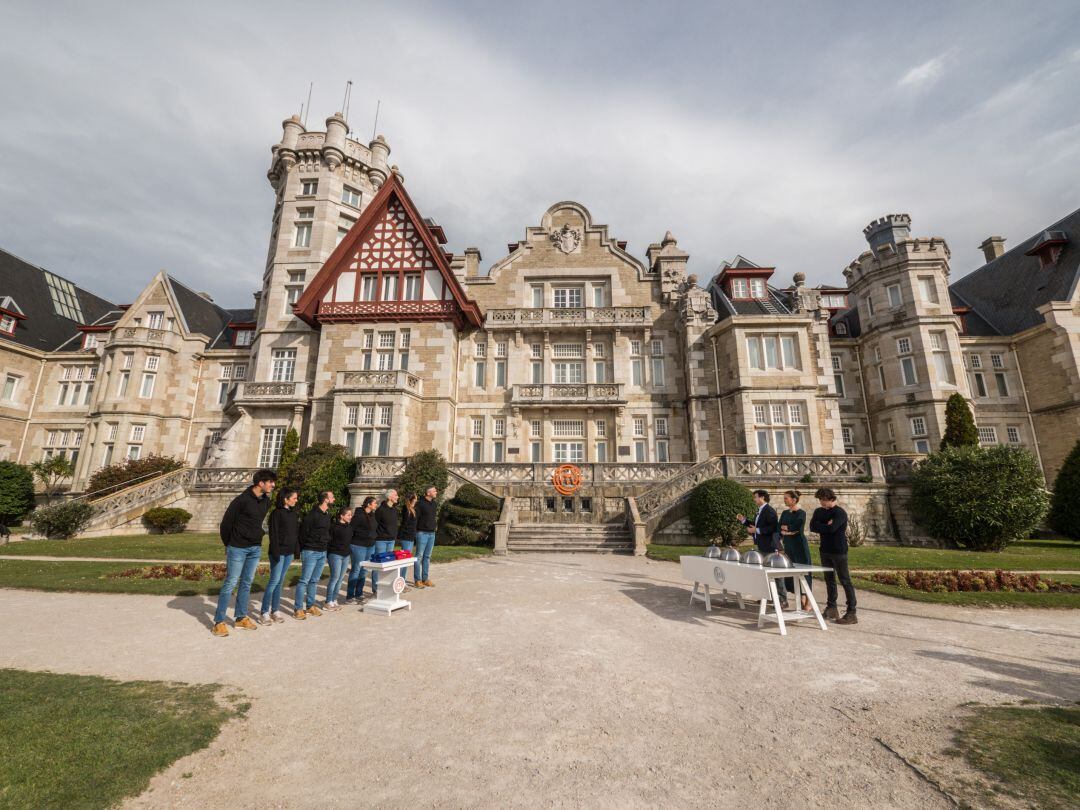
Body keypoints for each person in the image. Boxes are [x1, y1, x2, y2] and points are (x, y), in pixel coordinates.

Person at [213, 469, 275, 637]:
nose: (273, 485)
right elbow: (226, 524)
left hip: (255, 548)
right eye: (270, 482)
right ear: (260, 483)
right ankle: (219, 622)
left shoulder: (266, 502)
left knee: (246, 583)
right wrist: (229, 544)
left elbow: (257, 523)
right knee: (231, 583)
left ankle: (240, 618)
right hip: (238, 548)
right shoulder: (241, 500)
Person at [809, 487, 857, 625]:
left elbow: (833, 528)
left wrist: (822, 525)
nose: (821, 503)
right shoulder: (819, 511)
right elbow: (812, 527)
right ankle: (831, 607)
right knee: (829, 580)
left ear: (831, 499)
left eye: (823, 500)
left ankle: (851, 612)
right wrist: (825, 525)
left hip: (839, 550)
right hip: (825, 549)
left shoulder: (840, 513)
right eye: (820, 500)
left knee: (845, 580)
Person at [736, 489, 787, 608]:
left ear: (762, 497)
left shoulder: (769, 511)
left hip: (770, 546)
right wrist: (744, 521)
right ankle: (771, 597)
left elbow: (773, 528)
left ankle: (782, 599)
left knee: (776, 574)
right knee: (766, 573)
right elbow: (757, 525)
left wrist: (756, 530)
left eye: (755, 497)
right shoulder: (761, 510)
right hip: (763, 545)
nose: (754, 499)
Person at [258, 488, 299, 625]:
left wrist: (296, 551)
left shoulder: (293, 513)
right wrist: (275, 553)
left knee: (280, 582)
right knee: (274, 581)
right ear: (285, 499)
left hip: (288, 552)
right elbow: (273, 534)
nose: (296, 500)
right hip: (278, 551)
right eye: (294, 498)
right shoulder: (276, 513)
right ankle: (264, 612)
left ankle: (275, 610)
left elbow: (295, 534)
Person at [294, 490, 334, 620]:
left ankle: (310, 606)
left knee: (314, 580)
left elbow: (326, 533)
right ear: (325, 500)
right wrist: (306, 548)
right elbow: (303, 534)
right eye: (331, 497)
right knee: (304, 580)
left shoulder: (327, 514)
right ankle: (298, 609)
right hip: (310, 551)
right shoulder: (311, 515)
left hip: (322, 552)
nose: (334, 498)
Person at [778, 489, 811, 611]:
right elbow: (779, 527)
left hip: (799, 546)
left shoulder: (801, 513)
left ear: (794, 500)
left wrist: (787, 528)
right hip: (788, 545)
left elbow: (797, 527)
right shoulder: (785, 513)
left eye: (786, 498)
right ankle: (800, 598)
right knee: (791, 574)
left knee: (804, 572)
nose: (784, 500)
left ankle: (808, 601)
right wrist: (786, 530)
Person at [346, 496, 378, 603]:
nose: (376, 505)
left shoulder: (372, 515)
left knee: (364, 570)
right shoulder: (358, 515)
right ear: (368, 504)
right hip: (358, 545)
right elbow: (351, 530)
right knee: (356, 570)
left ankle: (359, 593)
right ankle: (350, 596)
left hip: (370, 546)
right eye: (374, 503)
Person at [325, 506, 354, 612]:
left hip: (346, 555)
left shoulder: (349, 527)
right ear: (341, 516)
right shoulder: (333, 527)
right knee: (334, 578)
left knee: (341, 578)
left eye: (351, 515)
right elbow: (328, 541)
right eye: (348, 515)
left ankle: (334, 599)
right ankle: (328, 602)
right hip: (335, 555)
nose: (350, 517)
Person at [414, 485, 438, 588]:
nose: (436, 492)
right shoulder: (420, 504)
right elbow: (416, 518)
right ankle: (417, 580)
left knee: (427, 557)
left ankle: (425, 579)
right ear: (428, 493)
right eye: (434, 491)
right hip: (422, 533)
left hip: (432, 533)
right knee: (419, 557)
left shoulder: (434, 503)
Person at [398, 492, 419, 586]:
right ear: (413, 499)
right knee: (404, 559)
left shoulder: (413, 509)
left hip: (410, 537)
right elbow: (405, 524)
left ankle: (403, 579)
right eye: (416, 498)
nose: (417, 499)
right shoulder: (406, 509)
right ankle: (401, 580)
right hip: (406, 537)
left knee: (407, 559)